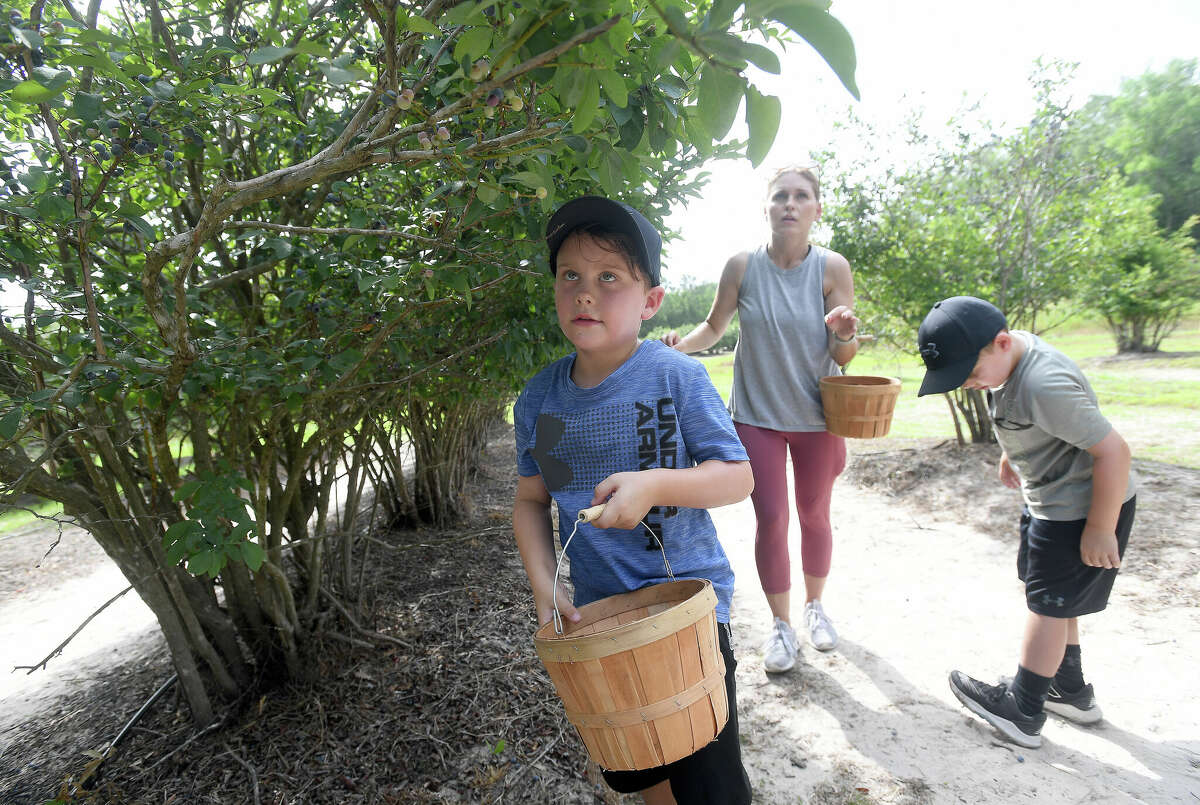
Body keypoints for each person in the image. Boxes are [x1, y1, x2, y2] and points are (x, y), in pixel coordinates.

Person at [512, 195, 755, 805]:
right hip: (604, 621)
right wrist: (547, 590)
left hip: (689, 612)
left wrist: (654, 485)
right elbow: (533, 500)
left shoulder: (673, 376)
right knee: (646, 767)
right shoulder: (543, 401)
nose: (585, 292)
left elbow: (736, 476)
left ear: (651, 302)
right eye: (570, 275)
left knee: (710, 781)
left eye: (609, 278)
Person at [661, 166, 859, 674]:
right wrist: (679, 346)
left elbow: (846, 356)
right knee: (771, 518)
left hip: (818, 419)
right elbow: (714, 326)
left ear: (816, 208)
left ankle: (816, 607)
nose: (790, 204)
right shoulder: (743, 267)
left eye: (801, 197)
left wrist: (842, 331)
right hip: (757, 418)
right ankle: (782, 625)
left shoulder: (833, 268)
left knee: (814, 515)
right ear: (767, 208)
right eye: (780, 197)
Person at [916, 296, 1136, 749]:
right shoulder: (1009, 357)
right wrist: (1012, 449)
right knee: (1054, 601)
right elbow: (1035, 416)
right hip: (1052, 499)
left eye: (970, 375)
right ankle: (1068, 688)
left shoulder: (1043, 384)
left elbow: (1114, 451)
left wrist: (1100, 526)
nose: (968, 386)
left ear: (1000, 343)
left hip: (1081, 508)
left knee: (1048, 607)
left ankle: (1025, 707)